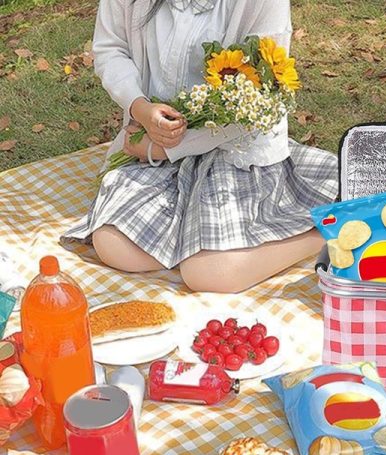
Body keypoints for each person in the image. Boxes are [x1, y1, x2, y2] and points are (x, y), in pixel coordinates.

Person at [62, 0, 337, 293]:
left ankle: (328, 228)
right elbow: (111, 48)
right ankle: (189, 239)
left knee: (210, 274)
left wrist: (163, 149)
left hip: (233, 150)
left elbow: (259, 101)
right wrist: (139, 107)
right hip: (157, 139)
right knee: (114, 245)